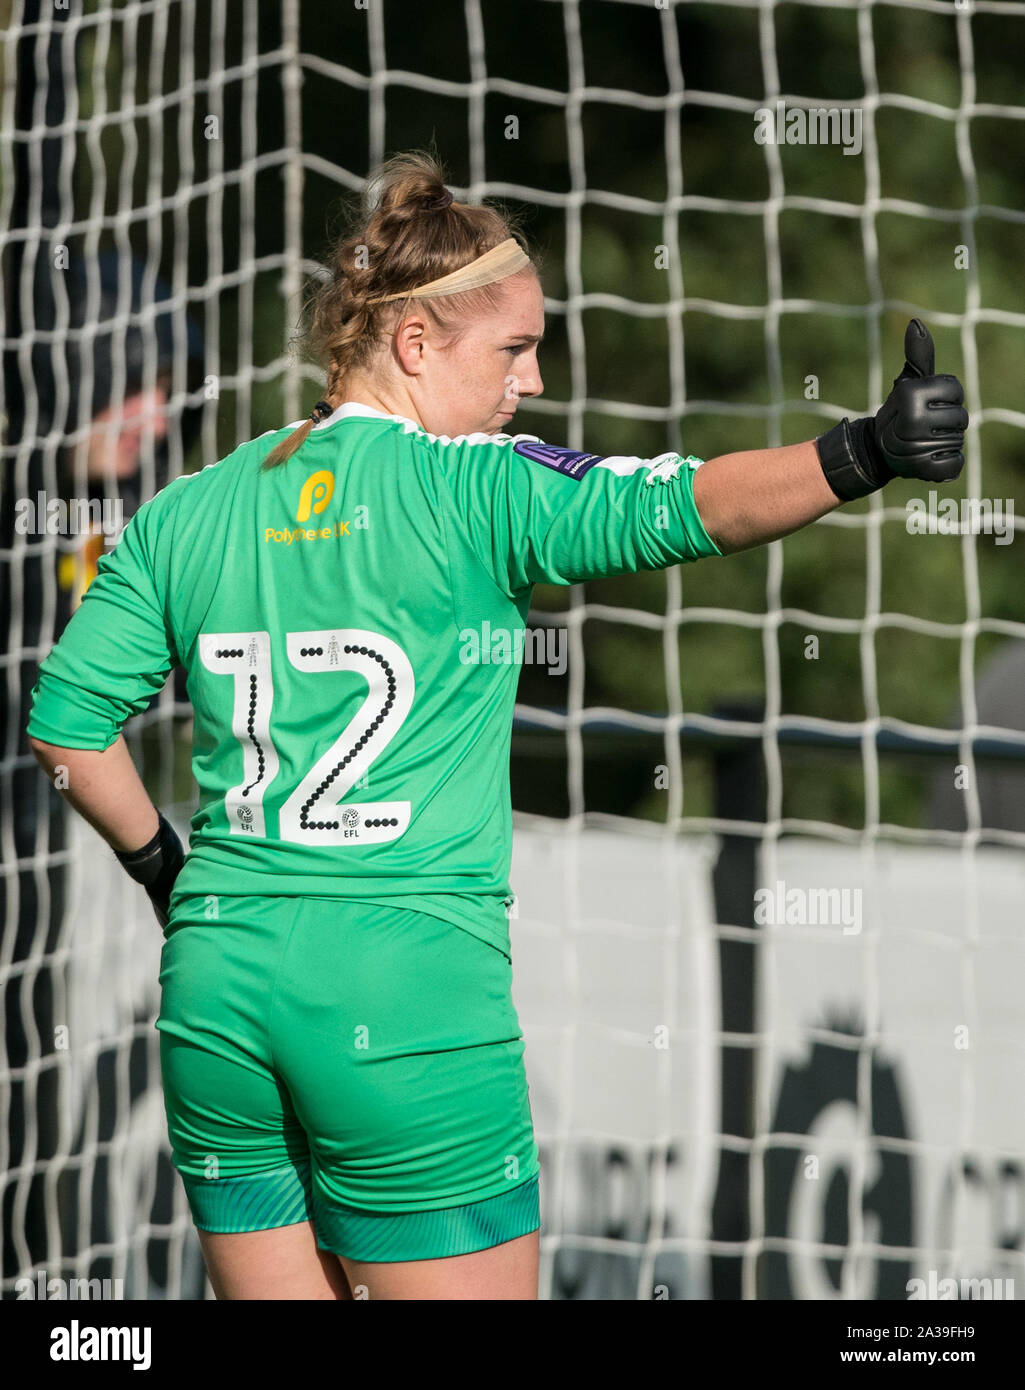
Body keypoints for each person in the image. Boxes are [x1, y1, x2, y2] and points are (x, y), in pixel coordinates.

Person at [24, 151, 968, 1301]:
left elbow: (67, 727)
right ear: (415, 344)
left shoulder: (191, 506)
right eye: (511, 348)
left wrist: (168, 873)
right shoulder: (477, 488)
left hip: (218, 985)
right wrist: (860, 451)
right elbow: (687, 505)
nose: (528, 380)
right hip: (402, 985)